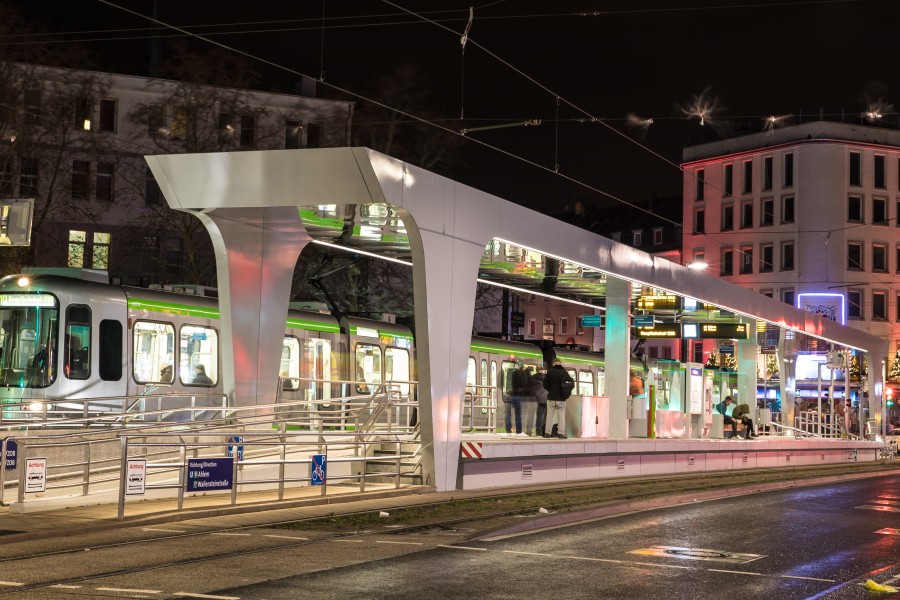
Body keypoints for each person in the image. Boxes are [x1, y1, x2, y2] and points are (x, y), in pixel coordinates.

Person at [543, 359, 571, 439]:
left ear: (554, 364)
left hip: (551, 397)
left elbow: (545, 384)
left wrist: (551, 390)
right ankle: (560, 433)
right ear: (560, 364)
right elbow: (569, 383)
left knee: (549, 415)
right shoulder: (564, 372)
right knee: (561, 415)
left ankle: (547, 433)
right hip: (561, 398)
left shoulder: (550, 372)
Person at [502, 359, 528, 435]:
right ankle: (519, 431)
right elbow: (524, 385)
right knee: (518, 414)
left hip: (509, 395)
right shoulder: (521, 374)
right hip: (517, 395)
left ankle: (508, 430)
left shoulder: (510, 372)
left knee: (508, 414)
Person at [532, 367, 549, 437]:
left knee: (539, 415)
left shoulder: (532, 377)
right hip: (545, 398)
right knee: (544, 415)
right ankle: (542, 430)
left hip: (537, 398)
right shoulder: (546, 378)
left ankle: (538, 430)